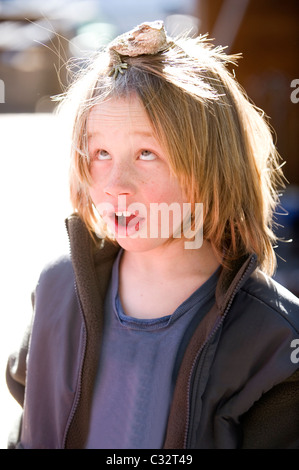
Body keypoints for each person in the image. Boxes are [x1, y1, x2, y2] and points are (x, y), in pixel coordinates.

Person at [6, 20, 299, 449]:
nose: (115, 183)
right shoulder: (56, 290)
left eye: (147, 153)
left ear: (212, 167)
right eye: (101, 152)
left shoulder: (274, 336)